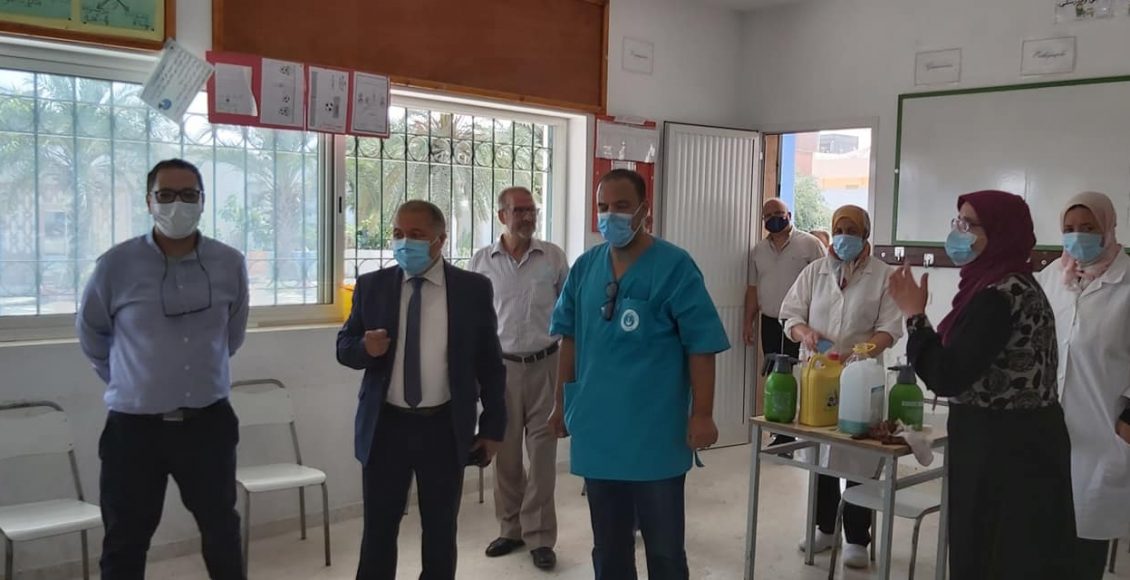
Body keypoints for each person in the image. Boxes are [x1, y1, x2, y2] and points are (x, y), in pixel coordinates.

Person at [547, 169, 730, 580]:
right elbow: (568, 339)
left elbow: (701, 345)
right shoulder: (585, 268)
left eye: (621, 206)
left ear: (644, 210)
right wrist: (560, 405)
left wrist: (702, 414)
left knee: (664, 551)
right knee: (609, 548)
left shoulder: (674, 266)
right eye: (603, 207)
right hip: (598, 431)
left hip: (655, 434)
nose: (610, 215)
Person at [888, 190, 1075, 580]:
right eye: (957, 221)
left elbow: (947, 374)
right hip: (1023, 442)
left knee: (991, 555)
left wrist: (914, 316)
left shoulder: (999, 297)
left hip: (1001, 452)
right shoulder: (1014, 284)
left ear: (1001, 232)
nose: (958, 232)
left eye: (969, 224)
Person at [77, 159, 250, 580]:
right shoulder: (116, 265)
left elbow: (231, 335)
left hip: (207, 424)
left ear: (203, 201)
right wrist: (133, 381)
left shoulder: (229, 263)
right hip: (134, 430)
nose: (178, 204)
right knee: (125, 541)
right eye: (166, 195)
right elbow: (92, 334)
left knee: (222, 532)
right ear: (149, 202)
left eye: (189, 195)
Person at [336, 200, 507, 580]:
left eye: (415, 235)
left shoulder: (472, 289)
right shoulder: (372, 286)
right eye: (398, 234)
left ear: (440, 240)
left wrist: (493, 428)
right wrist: (364, 347)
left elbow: (491, 365)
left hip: (443, 428)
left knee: (440, 533)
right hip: (386, 427)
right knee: (378, 532)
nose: (404, 243)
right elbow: (343, 347)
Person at [778, 205, 902, 569]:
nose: (844, 236)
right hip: (818, 373)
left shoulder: (883, 276)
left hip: (861, 376)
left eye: (852, 230)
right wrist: (804, 333)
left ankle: (858, 538)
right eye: (839, 229)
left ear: (865, 235)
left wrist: (861, 351)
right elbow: (790, 315)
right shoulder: (815, 271)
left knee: (857, 456)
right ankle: (825, 529)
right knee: (821, 451)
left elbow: (890, 328)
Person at [470, 187, 569, 570]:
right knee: (506, 453)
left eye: (532, 210)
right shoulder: (482, 262)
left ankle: (540, 536)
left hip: (547, 364)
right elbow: (474, 322)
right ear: (502, 216)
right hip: (501, 369)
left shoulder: (553, 257)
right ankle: (510, 529)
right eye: (519, 210)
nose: (528, 217)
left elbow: (570, 312)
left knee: (543, 455)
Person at [1036, 191, 1130, 580]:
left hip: (1103, 430)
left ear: (1108, 228)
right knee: (1043, 535)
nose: (1078, 237)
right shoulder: (1050, 278)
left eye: (1088, 228)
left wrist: (1128, 423)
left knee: (1084, 546)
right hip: (1047, 429)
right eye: (1069, 228)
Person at [743, 198, 825, 451]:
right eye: (768, 215)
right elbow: (753, 288)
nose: (773, 219)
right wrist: (748, 322)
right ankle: (780, 432)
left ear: (789, 214)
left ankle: (799, 432)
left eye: (778, 213)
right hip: (769, 320)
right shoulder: (758, 251)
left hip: (800, 324)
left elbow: (826, 282)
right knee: (775, 377)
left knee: (799, 374)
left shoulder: (810, 245)